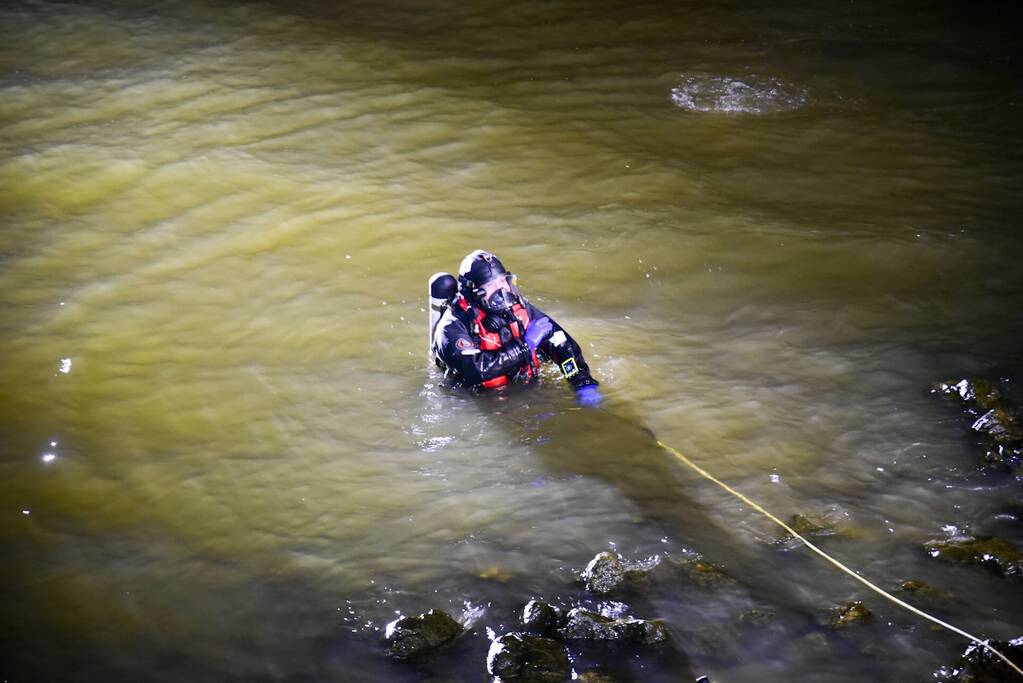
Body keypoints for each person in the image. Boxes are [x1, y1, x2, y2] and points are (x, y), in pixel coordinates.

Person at [428, 250, 603, 406]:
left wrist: (582, 382)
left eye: (502, 282)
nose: (501, 291)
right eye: (491, 286)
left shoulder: (516, 307)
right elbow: (477, 370)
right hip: (479, 399)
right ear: (475, 293)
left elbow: (560, 341)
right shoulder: (450, 327)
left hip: (521, 387)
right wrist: (526, 347)